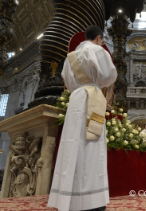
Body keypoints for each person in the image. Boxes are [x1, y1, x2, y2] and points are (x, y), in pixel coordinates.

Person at [48, 26, 117, 211]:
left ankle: (69, 198)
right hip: (92, 98)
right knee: (92, 147)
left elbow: (67, 81)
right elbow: (110, 75)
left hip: (76, 99)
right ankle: (90, 201)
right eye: (102, 41)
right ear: (98, 38)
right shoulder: (97, 50)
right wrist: (98, 82)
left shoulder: (70, 58)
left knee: (72, 145)